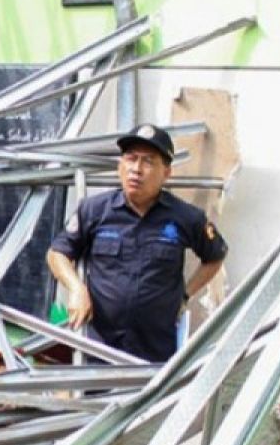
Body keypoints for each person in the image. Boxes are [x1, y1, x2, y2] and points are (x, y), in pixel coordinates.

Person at [47, 124, 228, 362]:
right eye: (130, 159)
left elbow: (215, 256)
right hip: (99, 348)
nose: (136, 169)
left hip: (156, 351)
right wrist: (76, 289)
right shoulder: (94, 210)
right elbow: (57, 253)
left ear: (166, 172)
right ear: (120, 166)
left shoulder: (186, 217)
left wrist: (185, 295)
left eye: (148, 161)